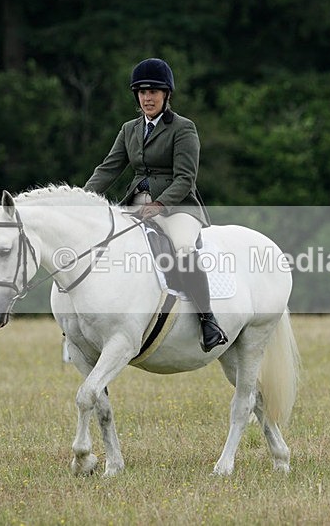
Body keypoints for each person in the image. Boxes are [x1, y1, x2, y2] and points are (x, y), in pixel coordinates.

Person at [83, 58, 227, 351]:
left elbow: (186, 178)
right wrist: (82, 198)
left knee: (184, 250)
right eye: (142, 92)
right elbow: (109, 169)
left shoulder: (184, 129)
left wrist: (161, 205)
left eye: (154, 92)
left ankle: (208, 321)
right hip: (135, 204)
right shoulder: (129, 129)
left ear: (166, 94)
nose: (148, 98)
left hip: (178, 206)